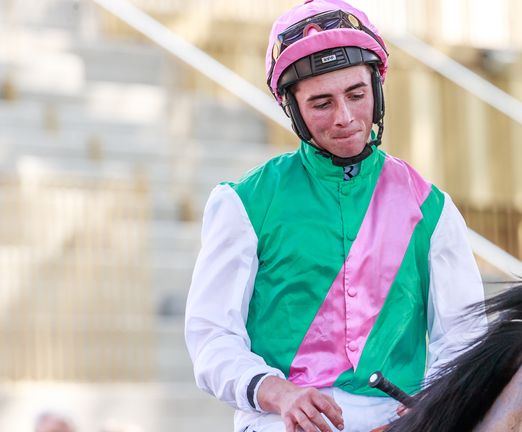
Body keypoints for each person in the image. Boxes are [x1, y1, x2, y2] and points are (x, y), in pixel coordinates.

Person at [185, 1, 486, 431]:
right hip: (281, 418)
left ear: (377, 89)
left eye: (356, 95)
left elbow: (463, 338)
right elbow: (211, 337)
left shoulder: (431, 208)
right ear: (293, 109)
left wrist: (437, 395)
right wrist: (279, 393)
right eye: (321, 103)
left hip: (400, 420)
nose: (345, 118)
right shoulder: (243, 204)